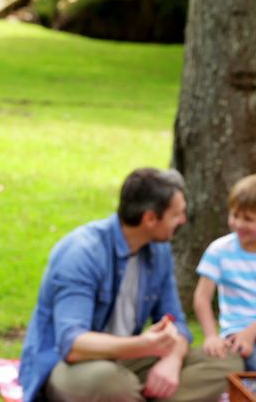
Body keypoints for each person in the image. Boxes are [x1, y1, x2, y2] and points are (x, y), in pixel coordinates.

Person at [18, 168, 242, 402]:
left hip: (128, 360)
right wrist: (142, 345)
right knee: (111, 384)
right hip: (71, 365)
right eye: (176, 215)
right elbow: (73, 345)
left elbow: (178, 324)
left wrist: (173, 361)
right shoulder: (82, 253)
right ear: (150, 218)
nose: (183, 221)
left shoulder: (159, 251)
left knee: (227, 363)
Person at [193, 174, 256, 373]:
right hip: (237, 334)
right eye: (235, 215)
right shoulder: (219, 250)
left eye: (248, 219)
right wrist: (211, 336)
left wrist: (253, 332)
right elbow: (202, 298)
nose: (238, 224)